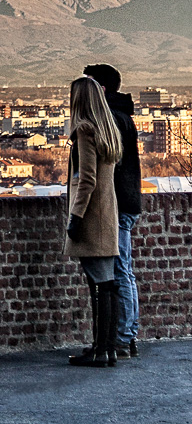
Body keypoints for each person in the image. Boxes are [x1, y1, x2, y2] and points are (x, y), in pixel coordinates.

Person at [64, 74, 123, 367]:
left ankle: (100, 351)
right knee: (108, 285)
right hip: (107, 215)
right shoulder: (108, 130)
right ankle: (107, 349)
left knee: (99, 285)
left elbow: (86, 179)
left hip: (91, 217)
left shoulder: (85, 130)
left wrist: (75, 217)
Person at [84, 63, 142, 357]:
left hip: (118, 202)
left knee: (119, 271)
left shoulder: (113, 120)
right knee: (123, 270)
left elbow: (109, 166)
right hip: (126, 200)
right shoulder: (122, 116)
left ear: (101, 89)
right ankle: (125, 336)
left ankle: (122, 337)